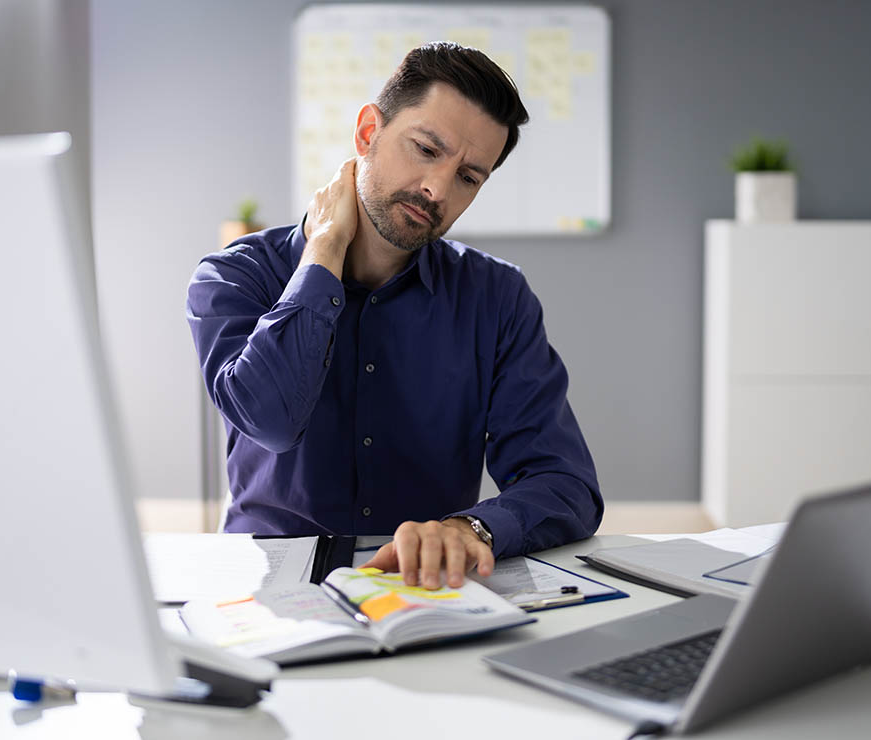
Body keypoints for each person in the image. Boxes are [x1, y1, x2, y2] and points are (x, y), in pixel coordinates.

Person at [187, 42, 601, 591]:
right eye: (427, 148)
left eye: (468, 178)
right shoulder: (234, 277)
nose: (437, 189)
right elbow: (271, 422)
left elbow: (565, 482)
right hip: (268, 585)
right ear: (367, 133)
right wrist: (323, 256)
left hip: (422, 588)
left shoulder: (497, 296)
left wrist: (471, 527)